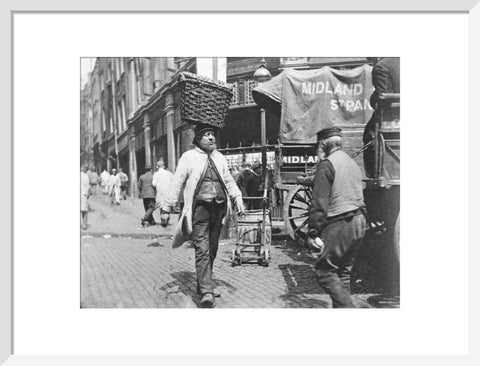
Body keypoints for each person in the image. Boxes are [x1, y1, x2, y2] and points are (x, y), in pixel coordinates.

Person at [161, 123, 245, 308]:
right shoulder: (188, 157)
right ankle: (207, 291)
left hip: (219, 209)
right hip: (199, 210)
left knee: (213, 248)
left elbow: (228, 179)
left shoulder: (220, 157)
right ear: (198, 139)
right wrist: (167, 207)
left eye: (212, 134)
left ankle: (203, 283)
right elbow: (177, 182)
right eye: (206, 135)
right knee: (202, 249)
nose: (211, 138)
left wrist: (237, 198)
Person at [307, 127, 367, 308]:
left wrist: (313, 232)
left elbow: (320, 203)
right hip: (359, 220)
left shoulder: (327, 164)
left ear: (323, 145)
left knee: (324, 272)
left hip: (340, 221)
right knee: (343, 273)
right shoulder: (351, 162)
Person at [363, 57, 400, 178]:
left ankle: (375, 174)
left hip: (392, 116)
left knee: (369, 132)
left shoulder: (381, 67)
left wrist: (373, 99)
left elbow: (382, 96)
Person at [152, 160, 173, 225]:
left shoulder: (156, 174)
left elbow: (154, 184)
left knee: (161, 205)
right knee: (167, 205)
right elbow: (173, 182)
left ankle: (163, 220)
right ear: (163, 166)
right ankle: (167, 218)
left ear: (157, 166)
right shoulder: (169, 173)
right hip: (168, 191)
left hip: (160, 192)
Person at [80, 166, 91, 230]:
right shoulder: (86, 176)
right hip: (84, 195)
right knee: (84, 210)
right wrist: (88, 195)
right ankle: (84, 224)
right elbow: (88, 186)